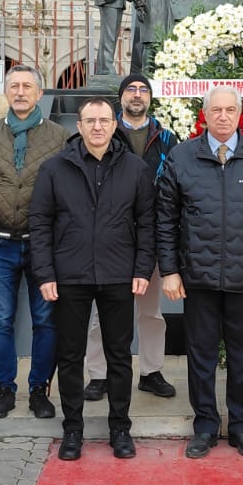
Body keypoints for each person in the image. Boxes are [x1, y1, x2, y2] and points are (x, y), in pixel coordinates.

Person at [158, 86, 243, 459]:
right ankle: (204, 426)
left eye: (230, 110)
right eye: (216, 110)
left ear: (240, 114)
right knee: (200, 356)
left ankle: (241, 427)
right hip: (196, 278)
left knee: (242, 355)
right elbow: (165, 219)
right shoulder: (181, 157)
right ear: (205, 114)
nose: (223, 116)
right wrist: (169, 271)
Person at [31, 97, 157, 461]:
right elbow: (40, 223)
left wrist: (141, 268)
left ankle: (120, 427)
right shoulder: (55, 168)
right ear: (79, 126)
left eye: (104, 120)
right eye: (90, 121)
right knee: (70, 355)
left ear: (114, 124)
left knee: (119, 355)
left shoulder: (134, 168)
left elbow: (146, 222)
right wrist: (45, 273)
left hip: (119, 274)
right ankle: (73, 429)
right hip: (69, 275)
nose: (98, 127)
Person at [0, 64, 69, 419]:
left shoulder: (59, 137)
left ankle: (39, 388)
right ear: (5, 93)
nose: (21, 92)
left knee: (46, 320)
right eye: (14, 86)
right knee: (1, 320)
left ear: (40, 94)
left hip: (44, 246)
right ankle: (5, 388)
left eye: (28, 86)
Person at [82, 73, 179, 403]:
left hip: (150, 236)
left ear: (150, 98)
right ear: (120, 98)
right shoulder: (105, 133)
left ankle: (151, 371)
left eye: (143, 90)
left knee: (151, 313)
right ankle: (98, 374)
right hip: (110, 239)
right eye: (131, 90)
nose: (137, 95)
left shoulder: (166, 138)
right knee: (100, 313)